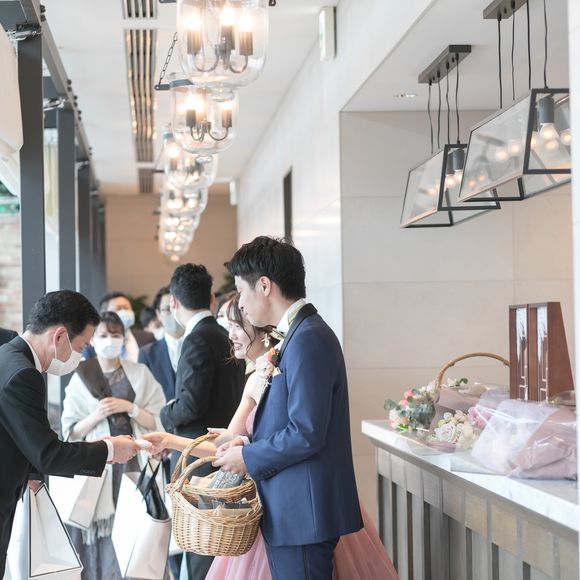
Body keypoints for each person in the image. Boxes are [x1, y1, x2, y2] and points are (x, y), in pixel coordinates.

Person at [146, 297, 398, 580]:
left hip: (298, 503)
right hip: (274, 505)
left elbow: (302, 432)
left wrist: (238, 448)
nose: (230, 335)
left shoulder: (282, 365)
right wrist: (170, 441)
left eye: (236, 326)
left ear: (261, 328)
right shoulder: (257, 376)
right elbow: (225, 446)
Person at [214, 236, 363, 580]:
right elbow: (289, 423)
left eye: (242, 290)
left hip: (303, 514)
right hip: (293, 510)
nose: (241, 303)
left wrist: (248, 457)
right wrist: (247, 443)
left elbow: (306, 432)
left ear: (264, 286)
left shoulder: (308, 338)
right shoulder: (297, 335)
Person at [0, 291, 140, 578]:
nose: (81, 355)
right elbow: (49, 455)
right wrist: (109, 449)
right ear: (60, 336)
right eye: (82, 346)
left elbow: (21, 436)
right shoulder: (24, 374)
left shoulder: (8, 355)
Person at [61, 311, 166, 580]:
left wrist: (130, 408)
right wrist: (96, 415)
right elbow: (70, 431)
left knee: (135, 531)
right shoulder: (80, 376)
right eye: (103, 335)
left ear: (123, 338)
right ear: (93, 339)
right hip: (100, 465)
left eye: (115, 335)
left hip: (133, 464)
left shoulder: (140, 373)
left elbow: (159, 419)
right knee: (102, 536)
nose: (110, 340)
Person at [160, 263, 245, 580]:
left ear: (173, 302)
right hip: (227, 453)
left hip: (200, 462)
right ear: (211, 298)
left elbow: (190, 405)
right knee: (219, 551)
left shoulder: (196, 338)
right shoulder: (224, 334)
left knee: (201, 552)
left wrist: (165, 413)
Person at [138, 286, 186, 580]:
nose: (171, 314)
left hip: (190, 445)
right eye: (166, 310)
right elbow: (145, 401)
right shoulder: (148, 353)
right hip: (160, 444)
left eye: (175, 308)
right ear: (158, 313)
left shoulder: (197, 343)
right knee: (164, 519)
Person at [84, 292, 155, 362]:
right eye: (118, 308)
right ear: (105, 313)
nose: (124, 312)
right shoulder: (91, 346)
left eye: (126, 308)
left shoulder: (148, 338)